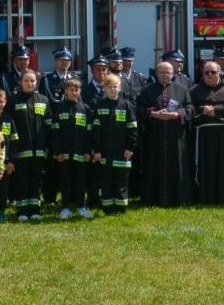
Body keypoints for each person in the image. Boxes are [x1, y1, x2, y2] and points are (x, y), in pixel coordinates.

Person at [138, 59, 191, 207]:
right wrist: (154, 114)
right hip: (154, 136)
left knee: (177, 166)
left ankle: (178, 198)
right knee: (153, 165)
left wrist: (178, 114)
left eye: (167, 72)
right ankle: (152, 198)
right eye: (161, 72)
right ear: (156, 73)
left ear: (172, 73)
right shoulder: (147, 90)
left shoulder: (182, 89)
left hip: (176, 137)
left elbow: (190, 109)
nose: (164, 75)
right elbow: (139, 110)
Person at [189, 58, 224, 205]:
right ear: (202, 74)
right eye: (207, 72)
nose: (210, 75)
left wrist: (215, 111)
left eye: (213, 72)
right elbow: (189, 108)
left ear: (219, 73)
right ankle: (204, 195)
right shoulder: (194, 90)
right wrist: (203, 111)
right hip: (203, 136)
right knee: (205, 166)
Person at [89, 72, 137, 214]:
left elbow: (132, 128)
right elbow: (95, 130)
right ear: (104, 88)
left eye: (115, 86)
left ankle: (121, 207)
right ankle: (108, 207)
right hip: (105, 151)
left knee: (121, 180)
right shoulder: (100, 105)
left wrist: (130, 147)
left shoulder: (127, 106)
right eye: (109, 87)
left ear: (120, 87)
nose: (112, 89)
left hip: (123, 150)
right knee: (106, 180)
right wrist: (96, 150)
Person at [7, 70, 52, 219]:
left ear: (36, 82)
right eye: (26, 81)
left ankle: (35, 209)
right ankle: (22, 210)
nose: (29, 83)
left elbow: (48, 125)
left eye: (32, 81)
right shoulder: (13, 101)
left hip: (39, 150)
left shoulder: (44, 100)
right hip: (21, 150)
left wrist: (47, 147)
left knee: (36, 180)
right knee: (22, 180)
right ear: (20, 82)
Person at [51, 75, 93, 219]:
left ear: (80, 91)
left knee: (81, 181)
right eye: (70, 89)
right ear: (65, 92)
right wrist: (58, 152)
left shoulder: (85, 109)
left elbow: (89, 133)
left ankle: (82, 206)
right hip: (64, 154)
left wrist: (88, 152)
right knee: (65, 181)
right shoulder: (59, 109)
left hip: (81, 154)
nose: (74, 92)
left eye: (76, 89)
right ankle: (65, 208)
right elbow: (55, 132)